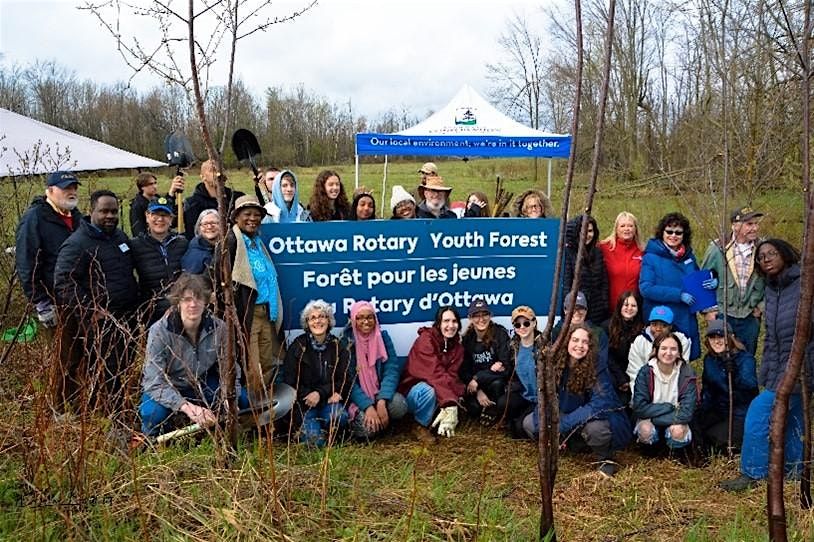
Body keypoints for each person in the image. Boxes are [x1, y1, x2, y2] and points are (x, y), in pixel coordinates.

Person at [721, 239, 814, 491]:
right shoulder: (772, 288)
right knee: (795, 418)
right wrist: (770, 373)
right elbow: (772, 337)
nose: (766, 259)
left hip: (803, 368)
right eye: (761, 257)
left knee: (758, 413)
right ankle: (796, 471)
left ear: (784, 254)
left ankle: (753, 472)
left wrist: (805, 366)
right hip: (780, 368)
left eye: (772, 254)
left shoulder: (805, 283)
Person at [54, 189, 139, 413]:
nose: (110, 216)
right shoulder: (77, 244)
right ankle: (111, 414)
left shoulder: (120, 237)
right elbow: (64, 282)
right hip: (101, 321)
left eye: (114, 211)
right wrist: (90, 308)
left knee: (123, 363)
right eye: (104, 211)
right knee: (106, 368)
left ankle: (115, 405)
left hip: (126, 316)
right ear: (92, 211)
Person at [139, 274, 255, 436]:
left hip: (204, 382)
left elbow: (229, 369)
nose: (193, 304)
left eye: (198, 298)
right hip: (171, 384)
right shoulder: (160, 331)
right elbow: (153, 381)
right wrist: (185, 406)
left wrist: (229, 397)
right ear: (178, 302)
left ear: (206, 301)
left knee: (244, 400)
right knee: (152, 414)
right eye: (187, 299)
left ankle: (235, 436)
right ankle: (155, 444)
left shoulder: (219, 328)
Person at [523, 324, 631, 477]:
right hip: (567, 414)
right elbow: (545, 398)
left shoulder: (597, 365)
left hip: (591, 418)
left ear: (590, 346)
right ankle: (567, 445)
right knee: (529, 423)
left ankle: (605, 459)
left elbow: (599, 405)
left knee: (596, 430)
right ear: (567, 341)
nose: (579, 345)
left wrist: (561, 426)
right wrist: (546, 427)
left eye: (584, 342)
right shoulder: (556, 363)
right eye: (575, 340)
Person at [213, 195, 284, 404]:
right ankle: (253, 411)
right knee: (251, 365)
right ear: (236, 217)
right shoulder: (230, 243)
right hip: (247, 314)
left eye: (257, 215)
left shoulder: (257, 243)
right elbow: (220, 281)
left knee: (269, 360)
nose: (252, 219)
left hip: (266, 311)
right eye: (247, 214)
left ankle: (268, 404)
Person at [15, 171, 83, 337]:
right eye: (66, 188)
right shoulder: (35, 219)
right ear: (50, 190)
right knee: (66, 357)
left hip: (81, 298)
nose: (72, 192)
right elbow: (26, 263)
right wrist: (41, 302)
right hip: (55, 301)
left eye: (74, 187)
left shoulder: (75, 216)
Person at [639, 212, 715, 361]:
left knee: (683, 359)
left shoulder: (689, 257)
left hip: (684, 318)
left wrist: (711, 282)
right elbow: (646, 288)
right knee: (661, 360)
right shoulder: (651, 257)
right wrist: (678, 294)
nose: (673, 235)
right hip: (661, 319)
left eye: (678, 232)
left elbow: (697, 282)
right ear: (662, 232)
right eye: (669, 231)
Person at [283, 300, 351, 447]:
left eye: (322, 316)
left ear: (329, 321)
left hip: (328, 402)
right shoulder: (298, 347)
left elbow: (345, 378)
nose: (318, 321)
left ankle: (334, 439)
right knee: (315, 442)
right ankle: (317, 436)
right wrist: (308, 395)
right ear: (307, 323)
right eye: (312, 318)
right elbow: (289, 381)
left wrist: (320, 393)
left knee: (339, 417)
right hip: (305, 405)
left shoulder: (338, 346)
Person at [700, 206, 765, 355]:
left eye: (756, 224)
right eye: (749, 224)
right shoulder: (718, 248)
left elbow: (773, 282)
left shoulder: (763, 249)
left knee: (747, 357)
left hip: (749, 316)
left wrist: (761, 307)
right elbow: (702, 279)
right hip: (723, 314)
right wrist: (709, 311)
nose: (755, 228)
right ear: (735, 226)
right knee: (722, 356)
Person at [341, 301, 407, 440]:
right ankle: (376, 426)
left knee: (399, 405)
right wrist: (368, 406)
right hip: (359, 400)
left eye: (370, 317)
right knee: (367, 430)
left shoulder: (382, 338)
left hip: (379, 393)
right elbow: (348, 380)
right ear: (353, 320)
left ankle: (384, 422)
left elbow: (392, 369)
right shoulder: (346, 343)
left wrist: (382, 400)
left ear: (375, 319)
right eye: (360, 318)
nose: (366, 321)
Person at [398, 306, 465, 443]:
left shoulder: (458, 348)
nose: (450, 326)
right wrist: (449, 402)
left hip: (437, 388)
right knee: (429, 389)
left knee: (451, 388)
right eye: (446, 321)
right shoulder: (425, 340)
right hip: (411, 394)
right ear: (438, 323)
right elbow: (434, 373)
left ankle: (435, 419)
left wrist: (456, 399)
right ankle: (419, 425)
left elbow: (452, 376)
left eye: (454, 321)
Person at [697, 320, 758, 454]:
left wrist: (733, 372)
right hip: (718, 409)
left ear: (730, 338)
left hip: (739, 411)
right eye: (712, 337)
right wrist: (703, 410)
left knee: (718, 439)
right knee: (697, 431)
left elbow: (750, 388)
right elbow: (708, 387)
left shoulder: (745, 359)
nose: (716, 341)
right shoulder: (709, 360)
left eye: (721, 336)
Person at [631, 332, 698, 454]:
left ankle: (673, 454)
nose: (668, 353)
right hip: (655, 418)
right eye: (664, 348)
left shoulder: (687, 373)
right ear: (656, 350)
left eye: (673, 349)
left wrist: (654, 417)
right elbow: (639, 408)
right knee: (645, 430)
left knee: (677, 431)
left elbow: (686, 412)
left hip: (668, 420)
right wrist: (669, 407)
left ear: (679, 353)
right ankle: (651, 452)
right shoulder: (645, 372)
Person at [129, 197, 189, 326]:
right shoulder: (136, 245)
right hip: (151, 311)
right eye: (155, 215)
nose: (160, 219)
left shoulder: (182, 243)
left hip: (181, 308)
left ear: (171, 219)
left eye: (165, 215)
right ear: (147, 216)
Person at [459, 299, 511, 425]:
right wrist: (478, 391)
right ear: (470, 318)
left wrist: (478, 378)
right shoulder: (467, 339)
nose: (481, 319)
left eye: (484, 314)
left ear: (490, 316)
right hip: (475, 386)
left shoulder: (500, 333)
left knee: (497, 384)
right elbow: (464, 370)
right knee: (473, 409)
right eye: (476, 315)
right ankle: (486, 409)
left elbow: (505, 367)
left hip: (492, 383)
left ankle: (494, 411)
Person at [627, 305, 691, 399]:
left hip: (672, 391)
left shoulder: (681, 341)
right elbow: (634, 371)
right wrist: (640, 398)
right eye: (654, 324)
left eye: (663, 325)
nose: (658, 329)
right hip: (646, 390)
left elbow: (681, 371)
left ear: (671, 327)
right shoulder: (640, 341)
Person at [498, 306, 541, 438]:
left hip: (541, 398)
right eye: (517, 324)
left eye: (526, 323)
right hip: (524, 394)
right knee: (503, 403)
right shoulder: (513, 347)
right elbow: (509, 371)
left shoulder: (544, 346)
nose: (522, 327)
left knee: (521, 429)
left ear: (534, 323)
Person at [562, 214, 609, 324]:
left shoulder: (597, 252)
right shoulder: (568, 253)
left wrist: (604, 303)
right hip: (576, 310)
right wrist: (571, 308)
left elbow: (604, 281)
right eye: (582, 231)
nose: (587, 235)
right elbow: (566, 283)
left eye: (590, 231)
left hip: (597, 311)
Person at [601, 290, 645, 405]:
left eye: (633, 305)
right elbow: (607, 356)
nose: (629, 308)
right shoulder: (607, 326)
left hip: (635, 372)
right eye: (626, 305)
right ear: (620, 306)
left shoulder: (642, 329)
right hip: (613, 372)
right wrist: (621, 378)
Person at [183, 160, 245, 240]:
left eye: (220, 170)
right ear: (202, 177)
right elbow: (191, 234)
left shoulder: (236, 198)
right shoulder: (192, 204)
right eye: (213, 170)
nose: (218, 174)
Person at [599, 211, 644, 315]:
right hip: (610, 309)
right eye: (622, 226)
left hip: (633, 310)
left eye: (630, 226)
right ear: (616, 229)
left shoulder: (642, 251)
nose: (626, 229)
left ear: (635, 229)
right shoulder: (604, 248)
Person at [129, 171, 185, 237]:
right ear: (142, 187)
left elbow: (167, 210)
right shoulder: (137, 206)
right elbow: (138, 230)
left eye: (155, 183)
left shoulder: (157, 198)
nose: (155, 186)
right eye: (151, 184)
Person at [181, 209, 222, 274]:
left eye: (213, 223)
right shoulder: (194, 255)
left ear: (221, 225)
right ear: (199, 228)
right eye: (205, 224)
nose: (209, 227)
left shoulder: (227, 246)